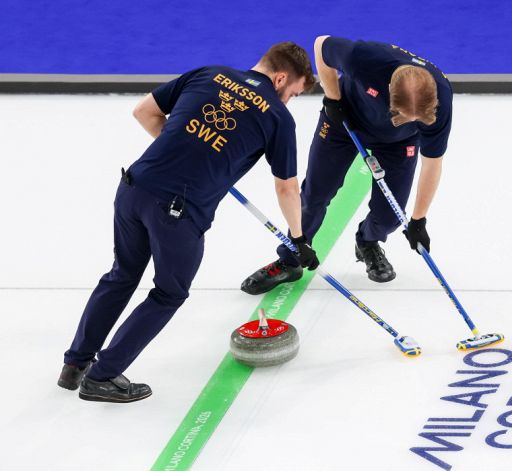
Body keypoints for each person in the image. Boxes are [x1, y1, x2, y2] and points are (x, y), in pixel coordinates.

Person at [58, 42, 319, 403]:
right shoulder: (276, 115)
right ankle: (102, 376)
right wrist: (299, 238)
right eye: (292, 93)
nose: (289, 101)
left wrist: (189, 153)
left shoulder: (209, 73)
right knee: (169, 293)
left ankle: (75, 364)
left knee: (121, 274)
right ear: (279, 79)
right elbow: (287, 187)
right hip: (178, 213)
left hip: (134, 187)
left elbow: (144, 112)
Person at [241, 36, 453, 295]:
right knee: (315, 195)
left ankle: (367, 241)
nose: (409, 120)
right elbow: (321, 44)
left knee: (390, 216)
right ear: (388, 93)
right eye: (403, 116)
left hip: (399, 143)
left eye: (416, 119)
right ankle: (291, 258)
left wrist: (419, 220)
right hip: (344, 121)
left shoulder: (441, 99)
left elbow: (432, 164)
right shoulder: (365, 58)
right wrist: (332, 99)